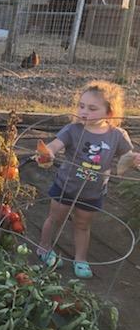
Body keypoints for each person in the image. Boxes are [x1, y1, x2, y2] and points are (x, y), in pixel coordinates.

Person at [36, 80, 140, 278]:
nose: (84, 112)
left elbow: (128, 157)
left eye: (92, 108)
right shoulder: (72, 130)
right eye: (81, 106)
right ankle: (44, 247)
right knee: (55, 218)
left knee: (83, 225)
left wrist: (135, 160)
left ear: (109, 112)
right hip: (66, 186)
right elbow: (55, 145)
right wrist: (47, 152)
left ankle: (81, 259)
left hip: (93, 192)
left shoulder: (117, 135)